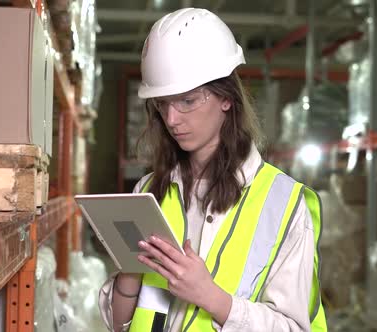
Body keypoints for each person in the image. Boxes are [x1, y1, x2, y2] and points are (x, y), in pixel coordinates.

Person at [98, 7, 327, 332]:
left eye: (187, 101)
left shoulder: (286, 205)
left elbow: (295, 328)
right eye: (162, 104)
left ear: (226, 98)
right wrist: (130, 275)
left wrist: (212, 298)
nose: (172, 119)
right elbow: (117, 324)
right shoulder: (149, 190)